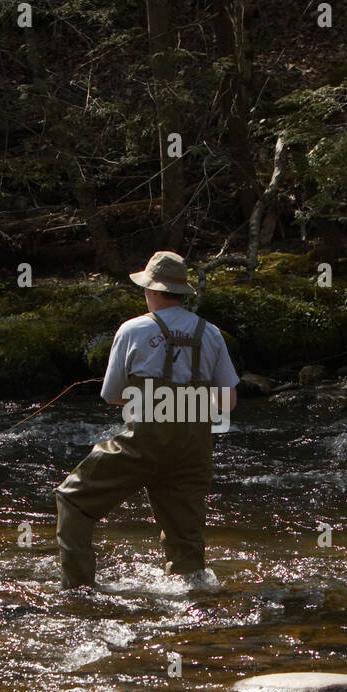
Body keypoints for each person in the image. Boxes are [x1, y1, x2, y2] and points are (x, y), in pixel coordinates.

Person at [55, 250, 239, 589]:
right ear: (181, 292)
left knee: (73, 499)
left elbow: (111, 395)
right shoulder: (212, 333)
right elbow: (228, 402)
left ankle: (79, 590)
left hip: (145, 444)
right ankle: (196, 610)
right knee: (185, 539)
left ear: (152, 290)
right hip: (193, 450)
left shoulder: (133, 330)